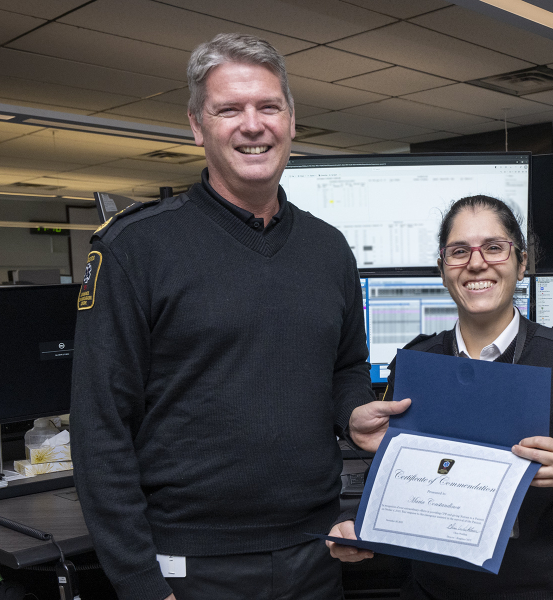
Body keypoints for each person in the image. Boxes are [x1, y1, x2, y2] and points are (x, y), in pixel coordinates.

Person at [69, 33, 407, 600]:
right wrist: (137, 581)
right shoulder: (136, 248)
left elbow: (345, 366)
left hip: (314, 551)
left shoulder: (329, 249)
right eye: (229, 109)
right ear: (198, 127)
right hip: (192, 561)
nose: (253, 125)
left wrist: (350, 412)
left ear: (292, 120)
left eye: (268, 106)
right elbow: (100, 428)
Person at [327, 195, 553, 599]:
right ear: (443, 270)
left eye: (494, 247)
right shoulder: (414, 364)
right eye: (459, 252)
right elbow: (393, 479)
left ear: (522, 263)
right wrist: (363, 526)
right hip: (432, 591)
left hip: (540, 592)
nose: (477, 263)